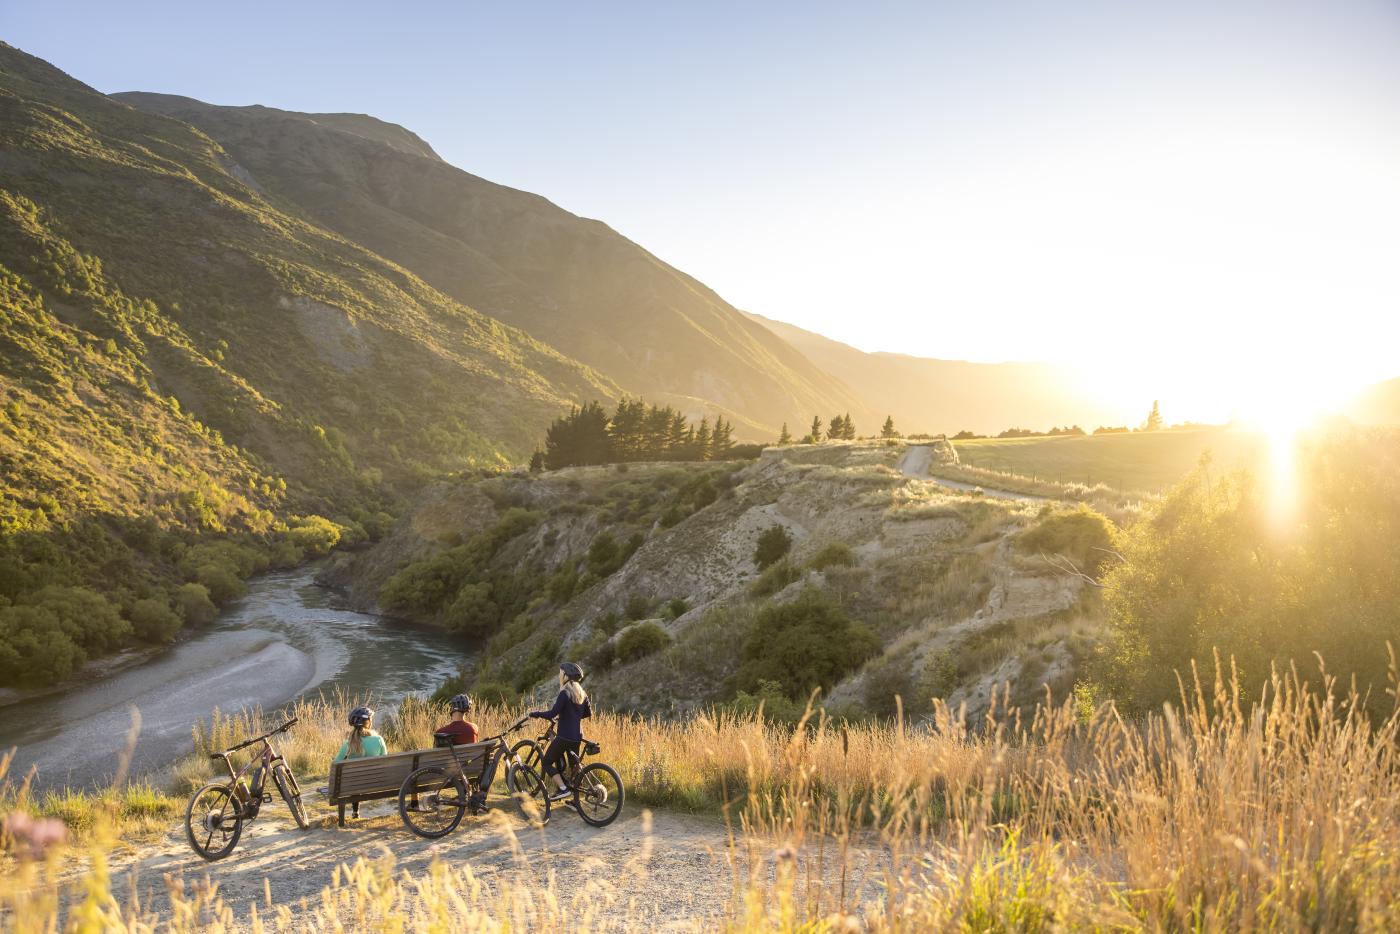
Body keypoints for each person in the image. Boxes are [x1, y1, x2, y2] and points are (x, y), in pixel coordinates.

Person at [529, 662, 592, 800]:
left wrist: (537, 713)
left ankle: (563, 789)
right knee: (574, 767)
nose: (559, 675)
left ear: (565, 676)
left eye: (560, 673)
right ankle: (577, 802)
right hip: (577, 736)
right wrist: (572, 717)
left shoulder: (565, 693)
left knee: (546, 763)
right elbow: (588, 713)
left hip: (564, 736)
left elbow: (552, 713)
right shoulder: (582, 693)